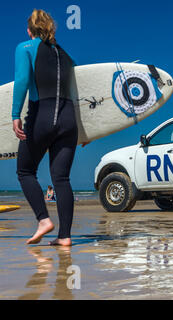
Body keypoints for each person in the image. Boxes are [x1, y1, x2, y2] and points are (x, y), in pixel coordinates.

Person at [12, 9, 78, 246]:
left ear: (30, 30)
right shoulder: (66, 56)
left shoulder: (25, 48)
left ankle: (43, 220)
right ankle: (65, 236)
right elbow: (78, 90)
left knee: (25, 171)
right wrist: (87, 130)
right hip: (69, 119)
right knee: (61, 178)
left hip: (42, 115)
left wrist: (15, 115)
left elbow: (21, 81)